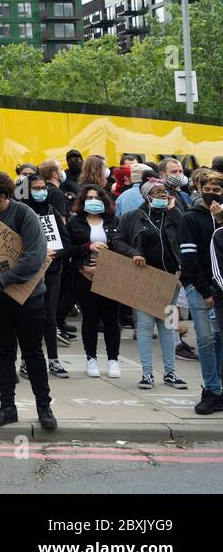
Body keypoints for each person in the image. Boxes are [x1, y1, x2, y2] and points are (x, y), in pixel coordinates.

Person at [0, 169, 55, 430]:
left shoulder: (23, 214)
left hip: (28, 297)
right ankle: (7, 406)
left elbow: (34, 257)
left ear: (3, 195)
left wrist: (2, 281)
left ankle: (44, 407)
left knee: (33, 353)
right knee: (3, 353)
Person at [112, 179, 188, 391]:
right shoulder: (133, 217)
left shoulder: (174, 215)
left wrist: (173, 211)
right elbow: (118, 240)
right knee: (145, 327)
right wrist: (134, 254)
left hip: (170, 281)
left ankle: (171, 372)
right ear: (147, 195)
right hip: (144, 280)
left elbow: (184, 234)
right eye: (157, 192)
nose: (162, 195)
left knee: (169, 326)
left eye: (164, 192)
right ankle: (147, 373)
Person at [63, 184, 122, 380]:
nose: (94, 201)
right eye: (89, 198)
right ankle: (91, 359)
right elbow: (68, 249)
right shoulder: (75, 222)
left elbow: (122, 246)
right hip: (84, 275)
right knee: (90, 318)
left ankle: (113, 360)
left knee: (111, 319)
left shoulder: (114, 221)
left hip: (111, 275)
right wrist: (88, 250)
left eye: (97, 197)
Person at [179, 170, 223, 413]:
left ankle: (217, 389)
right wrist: (206, 290)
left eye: (216, 191)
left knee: (218, 340)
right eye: (207, 190)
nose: (211, 195)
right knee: (206, 339)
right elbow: (190, 259)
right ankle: (211, 389)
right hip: (201, 288)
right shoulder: (191, 218)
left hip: (221, 288)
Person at [21, 172, 69, 380]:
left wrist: (55, 253)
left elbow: (66, 243)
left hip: (52, 271)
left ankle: (53, 359)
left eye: (43, 188)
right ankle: (25, 360)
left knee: (49, 316)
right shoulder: (22, 213)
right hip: (30, 272)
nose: (41, 192)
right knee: (30, 317)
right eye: (36, 188)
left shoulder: (52, 212)